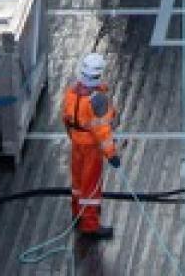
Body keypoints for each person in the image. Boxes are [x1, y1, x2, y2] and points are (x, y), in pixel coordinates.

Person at [61, 52, 120, 241]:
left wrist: (74, 137)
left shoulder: (72, 92)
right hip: (91, 148)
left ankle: (77, 213)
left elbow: (66, 119)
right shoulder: (98, 100)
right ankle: (90, 225)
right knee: (91, 187)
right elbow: (102, 130)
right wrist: (111, 154)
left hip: (76, 144)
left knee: (78, 182)